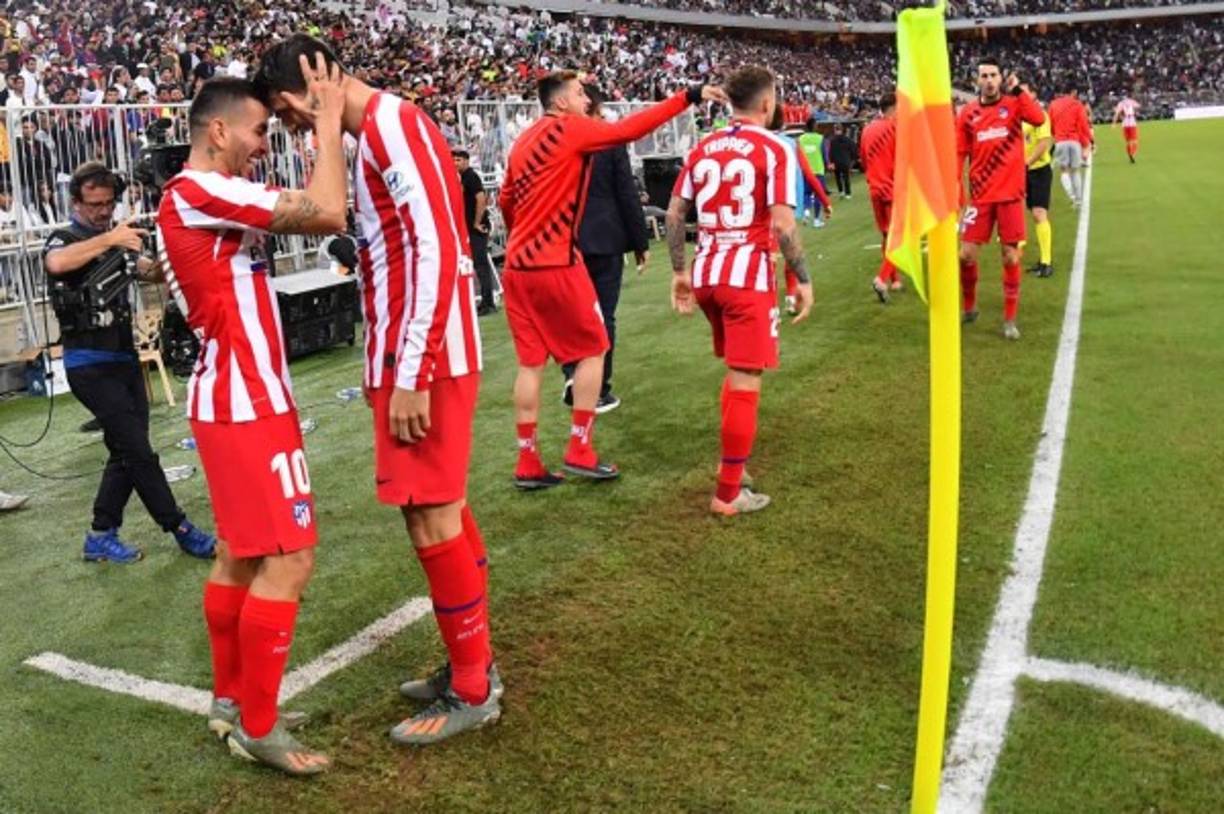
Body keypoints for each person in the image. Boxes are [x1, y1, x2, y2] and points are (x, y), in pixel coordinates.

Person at [255, 34, 498, 747]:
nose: (292, 125)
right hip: (405, 351)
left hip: (423, 357)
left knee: (432, 515)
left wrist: (414, 370)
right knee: (436, 509)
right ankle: (472, 664)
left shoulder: (392, 126)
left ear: (308, 84)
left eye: (287, 110)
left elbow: (437, 246)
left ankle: (475, 685)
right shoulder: (375, 135)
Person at [157, 73, 346, 775]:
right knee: (291, 555)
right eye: (259, 132)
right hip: (246, 404)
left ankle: (231, 702)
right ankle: (259, 727)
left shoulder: (200, 198)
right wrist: (326, 124)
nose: (265, 145)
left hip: (236, 398)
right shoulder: (202, 190)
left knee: (240, 550)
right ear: (217, 133)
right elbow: (329, 212)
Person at [497, 70, 725, 490]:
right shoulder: (569, 128)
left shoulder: (523, 140)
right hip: (556, 262)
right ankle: (579, 448)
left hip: (516, 267)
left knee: (530, 363)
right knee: (595, 346)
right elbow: (628, 129)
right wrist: (687, 95)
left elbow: (506, 199)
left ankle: (527, 461)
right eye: (581, 93)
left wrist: (524, 236)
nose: (587, 100)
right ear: (561, 101)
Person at [43, 162, 217, 564]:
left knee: (126, 449)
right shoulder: (64, 238)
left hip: (124, 359)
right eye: (94, 205)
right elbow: (57, 263)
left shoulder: (116, 240)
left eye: (108, 204)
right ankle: (179, 527)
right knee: (138, 451)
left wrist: (179, 254)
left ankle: (101, 533)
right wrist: (111, 240)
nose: (103, 212)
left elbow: (151, 272)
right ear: (75, 203)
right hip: (88, 363)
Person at [666, 65, 812, 517]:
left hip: (707, 274)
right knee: (747, 376)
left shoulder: (703, 146)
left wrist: (679, 271)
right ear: (767, 104)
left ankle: (733, 466)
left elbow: (674, 216)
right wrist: (803, 279)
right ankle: (728, 493)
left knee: (737, 372)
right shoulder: (776, 147)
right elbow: (784, 224)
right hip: (746, 277)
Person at [559, 83, 651, 415]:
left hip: (567, 242)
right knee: (603, 316)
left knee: (572, 314)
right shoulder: (608, 141)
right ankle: (597, 388)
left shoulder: (555, 139)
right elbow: (626, 193)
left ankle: (573, 373)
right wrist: (640, 242)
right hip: (606, 239)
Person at [955, 58, 1045, 341]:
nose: (990, 80)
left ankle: (1009, 319)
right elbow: (959, 153)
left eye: (994, 75)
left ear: (1001, 78)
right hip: (980, 196)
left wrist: (1019, 90)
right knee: (965, 255)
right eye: (984, 75)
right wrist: (954, 187)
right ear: (977, 81)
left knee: (1010, 256)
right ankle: (969, 307)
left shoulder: (1015, 104)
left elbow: (1039, 119)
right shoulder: (968, 113)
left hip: (1009, 196)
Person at [859, 92, 901, 303]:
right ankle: (882, 278)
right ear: (895, 106)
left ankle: (895, 280)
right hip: (893, 190)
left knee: (887, 235)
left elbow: (864, 161)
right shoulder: (896, 128)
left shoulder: (867, 129)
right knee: (899, 238)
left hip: (875, 188)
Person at [452, 148, 497, 316]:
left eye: (459, 160)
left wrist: (477, 222)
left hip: (477, 228)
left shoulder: (471, 176)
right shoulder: (460, 178)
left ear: (466, 161)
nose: (456, 163)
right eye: (454, 160)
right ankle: (485, 301)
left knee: (481, 264)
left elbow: (481, 199)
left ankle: (488, 303)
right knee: (477, 264)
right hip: (468, 227)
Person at [1021, 79, 1055, 278]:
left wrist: (1027, 162)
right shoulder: (1020, 116)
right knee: (1033, 214)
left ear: (1033, 94)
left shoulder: (1040, 114)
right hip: (1025, 170)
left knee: (1040, 213)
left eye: (1024, 92)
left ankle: (1046, 262)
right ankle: (1041, 260)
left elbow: (1044, 142)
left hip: (1039, 169)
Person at [1048, 84, 1092, 208]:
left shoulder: (1053, 104)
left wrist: (1055, 134)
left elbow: (1050, 124)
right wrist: (1088, 142)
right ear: (1073, 92)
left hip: (1060, 141)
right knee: (1075, 171)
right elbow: (1083, 124)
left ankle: (1072, 196)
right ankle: (1079, 200)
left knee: (1064, 171)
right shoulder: (1077, 104)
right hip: (1074, 141)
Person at [797, 119, 828, 227]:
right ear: (814, 126)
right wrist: (827, 164)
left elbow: (798, 154)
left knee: (806, 193)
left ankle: (806, 212)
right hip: (818, 170)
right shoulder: (820, 138)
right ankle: (816, 220)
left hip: (805, 171)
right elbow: (824, 154)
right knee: (818, 195)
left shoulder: (800, 139)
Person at [827, 123, 856, 200]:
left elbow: (831, 152)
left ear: (835, 130)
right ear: (842, 130)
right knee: (846, 177)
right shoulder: (848, 139)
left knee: (838, 178)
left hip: (836, 162)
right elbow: (853, 149)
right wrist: (852, 160)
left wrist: (831, 162)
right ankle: (848, 194)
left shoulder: (832, 140)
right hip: (845, 161)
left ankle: (841, 192)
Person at [1112, 95, 1141, 164]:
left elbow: (1116, 113)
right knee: (1134, 141)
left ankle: (1130, 154)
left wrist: (1114, 123)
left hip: (1125, 123)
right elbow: (1138, 106)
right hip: (1132, 122)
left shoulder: (1120, 103)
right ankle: (1132, 154)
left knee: (1128, 141)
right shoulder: (1131, 101)